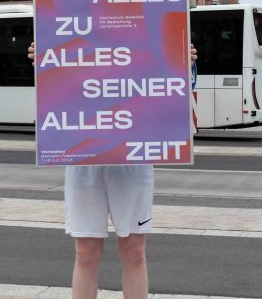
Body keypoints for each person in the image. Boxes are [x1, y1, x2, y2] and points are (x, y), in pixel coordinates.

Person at [28, 42, 197, 299]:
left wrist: (182, 61)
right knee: (86, 251)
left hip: (133, 154)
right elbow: (61, 85)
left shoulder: (143, 20)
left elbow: (170, 89)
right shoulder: (72, 24)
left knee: (134, 251)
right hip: (83, 154)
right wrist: (45, 58)